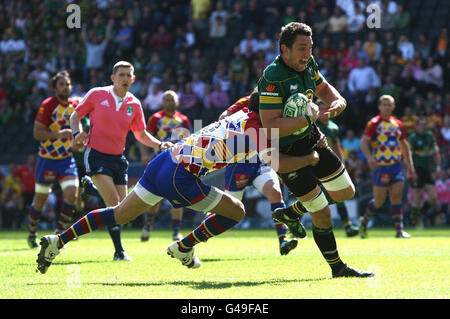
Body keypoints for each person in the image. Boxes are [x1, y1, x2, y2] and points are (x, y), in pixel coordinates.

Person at [35, 91, 321, 274]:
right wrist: (310, 158)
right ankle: (184, 246)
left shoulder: (239, 112)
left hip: (163, 162)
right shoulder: (256, 130)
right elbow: (280, 163)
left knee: (120, 214)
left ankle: (57, 241)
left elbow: (254, 99)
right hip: (181, 176)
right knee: (237, 211)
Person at [257, 22, 373, 278]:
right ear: (284, 49)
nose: (307, 53)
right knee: (321, 212)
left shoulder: (308, 64)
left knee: (346, 191)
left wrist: (338, 100)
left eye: (310, 47)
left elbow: (323, 88)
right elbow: (271, 126)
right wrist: (309, 119)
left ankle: (290, 212)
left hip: (312, 139)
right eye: (301, 48)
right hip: (287, 152)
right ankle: (338, 268)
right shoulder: (272, 77)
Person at [68, 61, 170, 261]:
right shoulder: (97, 94)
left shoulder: (134, 103)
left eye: (128, 75)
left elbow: (140, 134)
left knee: (124, 211)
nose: (125, 78)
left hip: (118, 158)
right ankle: (119, 252)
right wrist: (76, 133)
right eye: (121, 75)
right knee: (114, 205)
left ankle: (91, 190)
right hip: (96, 154)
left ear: (133, 79)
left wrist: (159, 144)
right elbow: (75, 116)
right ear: (113, 78)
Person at [219, 92, 299, 256]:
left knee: (275, 193)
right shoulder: (247, 100)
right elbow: (223, 116)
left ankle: (283, 240)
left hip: (262, 160)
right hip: (240, 162)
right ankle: (192, 241)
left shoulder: (280, 105)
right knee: (227, 211)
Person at [26, 71, 80, 249]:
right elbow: (36, 133)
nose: (66, 87)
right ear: (55, 88)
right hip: (47, 159)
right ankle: (32, 233)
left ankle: (59, 236)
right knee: (40, 200)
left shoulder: (75, 106)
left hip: (66, 159)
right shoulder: (48, 105)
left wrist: (78, 141)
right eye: (62, 84)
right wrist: (58, 134)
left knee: (72, 195)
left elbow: (78, 128)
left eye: (68, 84)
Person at [359, 95, 417, 238]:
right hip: (381, 167)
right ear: (379, 107)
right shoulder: (374, 123)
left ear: (393, 107)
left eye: (389, 104)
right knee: (378, 202)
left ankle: (399, 231)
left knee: (396, 197)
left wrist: (410, 167)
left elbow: (404, 146)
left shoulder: (398, 124)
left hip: (396, 166)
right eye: (384, 104)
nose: (386, 107)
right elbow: (363, 142)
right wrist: (369, 158)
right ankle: (364, 222)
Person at [139, 90, 191, 242]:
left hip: (178, 163)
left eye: (172, 99)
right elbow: (144, 136)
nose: (169, 102)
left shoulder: (183, 119)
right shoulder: (156, 118)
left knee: (178, 197)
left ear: (177, 102)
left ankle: (176, 232)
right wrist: (144, 154)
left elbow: (188, 141)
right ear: (163, 102)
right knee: (154, 198)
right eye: (166, 99)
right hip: (159, 161)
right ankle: (148, 225)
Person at [315, 101, 359, 237]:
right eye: (321, 109)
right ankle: (295, 224)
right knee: (311, 196)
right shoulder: (313, 125)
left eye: (326, 108)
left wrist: (342, 165)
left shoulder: (333, 127)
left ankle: (347, 226)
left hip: (329, 166)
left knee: (339, 195)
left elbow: (336, 146)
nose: (324, 112)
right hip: (314, 165)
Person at [408, 117, 442, 227]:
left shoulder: (429, 137)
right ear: (416, 126)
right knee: (416, 197)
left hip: (427, 170)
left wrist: (438, 168)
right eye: (421, 125)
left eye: (424, 124)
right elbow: (407, 156)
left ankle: (419, 214)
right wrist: (411, 171)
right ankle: (413, 222)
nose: (423, 127)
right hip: (416, 170)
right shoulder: (413, 138)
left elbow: (436, 153)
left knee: (433, 197)